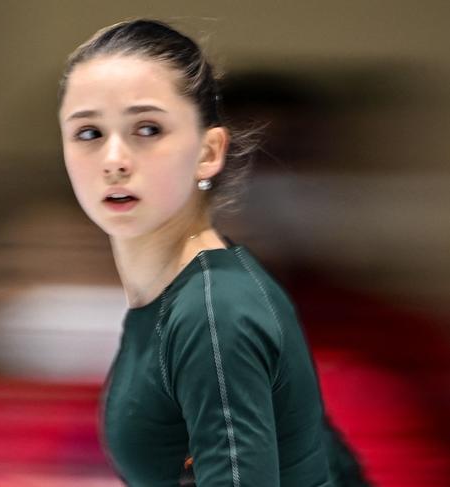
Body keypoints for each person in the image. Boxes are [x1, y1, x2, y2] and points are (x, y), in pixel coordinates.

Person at [58, 19, 370, 487]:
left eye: (147, 128)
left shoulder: (213, 310)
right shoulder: (178, 300)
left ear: (208, 152)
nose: (114, 159)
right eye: (88, 133)